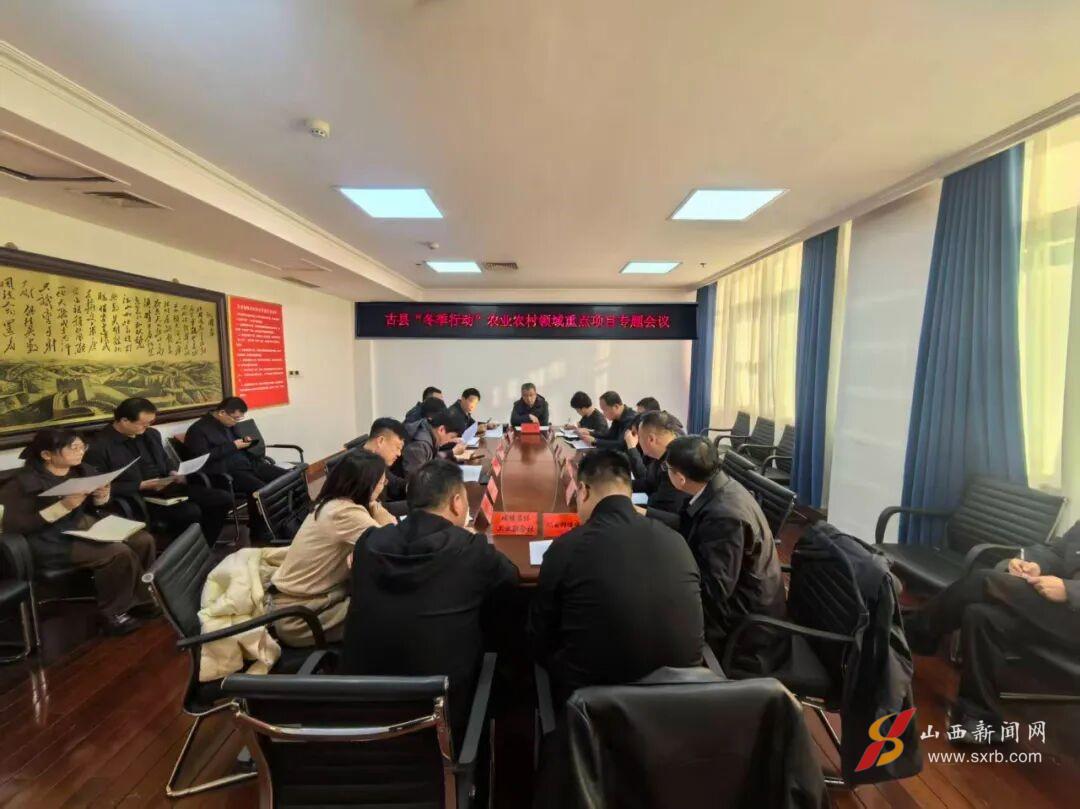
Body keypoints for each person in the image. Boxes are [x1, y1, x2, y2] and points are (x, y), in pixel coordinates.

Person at [341, 459, 519, 739]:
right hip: (441, 716)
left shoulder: (369, 542)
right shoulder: (470, 549)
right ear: (457, 502)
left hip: (359, 710)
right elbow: (510, 579)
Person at [528, 449, 704, 704]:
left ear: (583, 491)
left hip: (595, 708)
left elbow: (540, 635)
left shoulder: (567, 547)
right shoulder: (675, 540)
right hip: (683, 700)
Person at [904, 520, 1080, 742]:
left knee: (983, 581)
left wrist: (1069, 590)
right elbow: (1057, 552)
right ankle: (977, 719)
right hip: (1065, 614)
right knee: (980, 615)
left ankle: (910, 633)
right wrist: (1033, 564)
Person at [0, 429, 157, 635]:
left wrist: (102, 495)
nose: (80, 452)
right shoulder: (22, 483)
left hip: (80, 525)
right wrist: (63, 506)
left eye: (83, 447)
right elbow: (14, 526)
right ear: (47, 454)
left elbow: (94, 507)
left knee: (143, 540)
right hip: (46, 539)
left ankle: (141, 600)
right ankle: (113, 614)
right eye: (73, 448)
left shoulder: (83, 470)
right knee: (118, 552)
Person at [651, 435, 785, 664]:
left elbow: (714, 591)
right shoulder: (719, 487)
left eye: (667, 468)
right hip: (739, 595)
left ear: (680, 478)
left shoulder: (724, 517)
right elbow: (689, 524)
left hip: (745, 625)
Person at [270, 451, 396, 645]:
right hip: (302, 617)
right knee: (394, 608)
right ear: (366, 485)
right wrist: (378, 509)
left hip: (307, 602)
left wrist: (372, 502)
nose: (384, 485)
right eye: (381, 482)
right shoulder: (344, 513)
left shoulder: (333, 502)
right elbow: (393, 544)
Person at [84, 398, 233, 546]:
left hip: (166, 486)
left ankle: (204, 545)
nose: (147, 426)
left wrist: (173, 471)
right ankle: (181, 551)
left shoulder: (151, 434)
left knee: (222, 498)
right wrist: (141, 485)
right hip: (137, 497)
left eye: (150, 422)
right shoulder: (99, 446)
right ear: (124, 420)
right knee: (189, 511)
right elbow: (99, 488)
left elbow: (164, 459)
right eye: (143, 424)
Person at [181, 397, 286, 533]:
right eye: (235, 418)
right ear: (222, 413)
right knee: (261, 489)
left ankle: (289, 519)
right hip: (226, 472)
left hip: (248, 463)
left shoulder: (229, 424)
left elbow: (237, 443)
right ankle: (262, 529)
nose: (236, 422)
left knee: (285, 477)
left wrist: (245, 442)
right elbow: (201, 459)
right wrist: (233, 446)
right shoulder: (198, 430)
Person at [632, 410, 690, 515]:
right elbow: (649, 483)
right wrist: (619, 484)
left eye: (639, 437)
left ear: (651, 439)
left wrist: (627, 508)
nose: (637, 442)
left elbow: (662, 509)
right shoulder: (662, 453)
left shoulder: (676, 463)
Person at [400, 407, 469, 477]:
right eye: (452, 437)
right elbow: (417, 479)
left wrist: (451, 453)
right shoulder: (420, 445)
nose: (450, 441)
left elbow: (432, 460)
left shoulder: (428, 429)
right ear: (441, 429)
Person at [358, 417, 408, 503]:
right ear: (381, 441)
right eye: (397, 447)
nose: (399, 454)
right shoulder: (357, 468)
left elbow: (394, 482)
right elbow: (370, 507)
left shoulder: (375, 460)